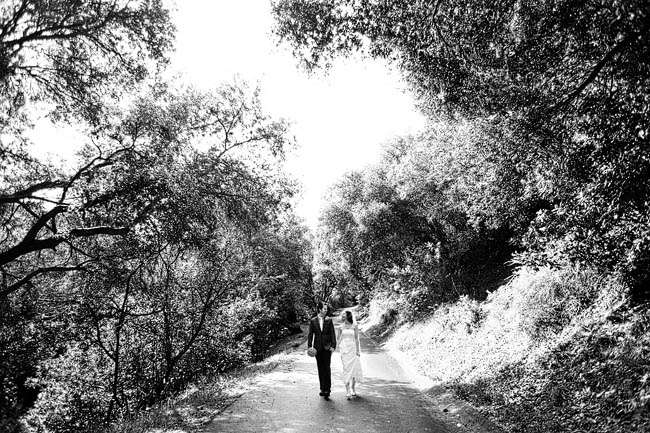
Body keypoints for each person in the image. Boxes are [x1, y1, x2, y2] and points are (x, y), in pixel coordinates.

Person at [307, 301, 337, 400]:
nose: (326, 310)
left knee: (327, 368)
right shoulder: (313, 321)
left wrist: (333, 346)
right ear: (320, 309)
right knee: (320, 368)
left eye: (326, 309)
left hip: (327, 348)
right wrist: (309, 346)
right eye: (324, 309)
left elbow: (332, 333)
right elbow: (310, 335)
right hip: (317, 348)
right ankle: (322, 389)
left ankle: (328, 390)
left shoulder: (329, 320)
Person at [336, 310, 362, 399]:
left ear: (348, 316)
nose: (342, 316)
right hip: (344, 350)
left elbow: (357, 339)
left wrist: (358, 350)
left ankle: (353, 388)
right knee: (346, 369)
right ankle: (347, 390)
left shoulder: (354, 326)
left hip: (353, 349)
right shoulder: (340, 327)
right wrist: (338, 348)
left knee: (354, 369)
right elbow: (338, 339)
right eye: (342, 315)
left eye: (344, 314)